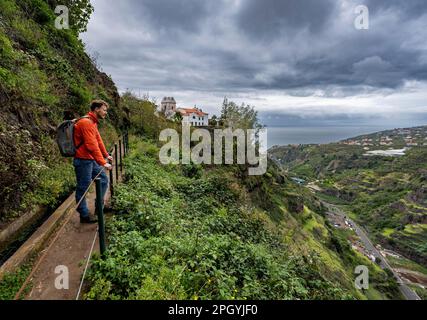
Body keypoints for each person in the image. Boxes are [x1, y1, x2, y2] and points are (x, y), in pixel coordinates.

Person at [73, 100, 113, 224]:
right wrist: (102, 162)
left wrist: (106, 155)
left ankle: (99, 208)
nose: (105, 112)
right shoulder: (86, 123)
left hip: (90, 159)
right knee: (83, 188)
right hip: (83, 160)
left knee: (104, 180)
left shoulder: (93, 122)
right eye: (104, 110)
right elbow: (91, 145)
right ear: (96, 109)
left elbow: (98, 141)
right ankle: (84, 215)